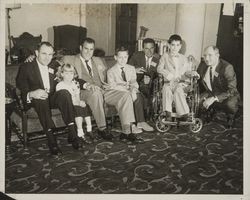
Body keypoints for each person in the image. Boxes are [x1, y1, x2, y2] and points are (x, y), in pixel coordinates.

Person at [62, 38, 142, 141]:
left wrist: (109, 84)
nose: (88, 52)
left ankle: (126, 132)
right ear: (81, 48)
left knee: (125, 95)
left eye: (91, 49)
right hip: (84, 91)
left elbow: (114, 71)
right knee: (96, 94)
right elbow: (67, 75)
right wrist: (87, 85)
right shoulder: (71, 60)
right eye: (86, 49)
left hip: (103, 90)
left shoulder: (98, 60)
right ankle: (102, 128)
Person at [16, 42, 82, 156]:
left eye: (50, 54)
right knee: (41, 98)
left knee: (65, 93)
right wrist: (31, 93)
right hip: (37, 100)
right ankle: (51, 140)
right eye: (44, 54)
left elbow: (70, 76)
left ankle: (72, 134)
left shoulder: (54, 65)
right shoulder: (26, 67)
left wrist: (86, 85)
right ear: (36, 53)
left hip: (51, 98)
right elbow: (20, 86)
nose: (47, 57)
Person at [107, 47, 154, 142]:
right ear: (115, 57)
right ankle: (131, 127)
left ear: (128, 57)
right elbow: (112, 86)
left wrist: (133, 88)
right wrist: (127, 90)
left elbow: (133, 82)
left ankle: (140, 122)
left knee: (137, 95)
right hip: (117, 93)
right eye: (120, 57)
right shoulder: (111, 71)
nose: (123, 59)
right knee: (128, 96)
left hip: (128, 91)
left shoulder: (131, 68)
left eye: (125, 57)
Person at [157, 34, 199, 120]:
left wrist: (193, 73)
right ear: (169, 45)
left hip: (180, 83)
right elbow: (159, 68)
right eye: (172, 45)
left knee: (178, 90)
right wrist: (168, 75)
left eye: (177, 45)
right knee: (166, 89)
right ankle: (167, 112)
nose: (174, 48)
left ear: (180, 46)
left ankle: (184, 113)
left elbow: (187, 71)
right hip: (169, 82)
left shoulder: (184, 58)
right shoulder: (165, 56)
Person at [197, 45, 240, 128]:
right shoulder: (203, 64)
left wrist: (214, 98)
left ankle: (230, 117)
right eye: (205, 55)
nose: (206, 58)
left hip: (227, 94)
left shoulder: (227, 67)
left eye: (210, 55)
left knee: (230, 105)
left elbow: (232, 90)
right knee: (198, 101)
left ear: (217, 55)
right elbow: (197, 78)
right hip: (211, 92)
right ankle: (211, 110)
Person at [55, 63, 92, 144]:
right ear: (62, 74)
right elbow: (63, 99)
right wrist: (77, 103)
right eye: (66, 73)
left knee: (85, 106)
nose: (69, 76)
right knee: (78, 109)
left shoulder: (75, 83)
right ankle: (80, 132)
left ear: (74, 74)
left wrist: (80, 102)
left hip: (76, 102)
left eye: (71, 73)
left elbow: (77, 95)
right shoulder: (60, 85)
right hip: (67, 105)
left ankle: (89, 130)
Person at [128, 38, 160, 118]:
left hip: (152, 84)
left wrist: (150, 79)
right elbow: (127, 68)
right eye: (146, 48)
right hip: (137, 82)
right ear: (142, 49)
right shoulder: (136, 56)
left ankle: (145, 115)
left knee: (149, 89)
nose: (149, 51)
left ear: (154, 48)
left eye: (151, 48)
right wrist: (135, 69)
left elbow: (160, 72)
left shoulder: (159, 58)